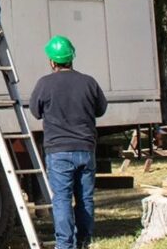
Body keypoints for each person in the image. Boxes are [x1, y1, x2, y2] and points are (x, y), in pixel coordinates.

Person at [29, 36, 108, 249]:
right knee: (85, 199)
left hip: (58, 152)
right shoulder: (89, 82)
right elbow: (101, 109)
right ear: (72, 57)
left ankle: (65, 245)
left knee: (62, 199)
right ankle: (84, 241)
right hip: (85, 148)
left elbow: (35, 112)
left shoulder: (44, 84)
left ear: (52, 61)